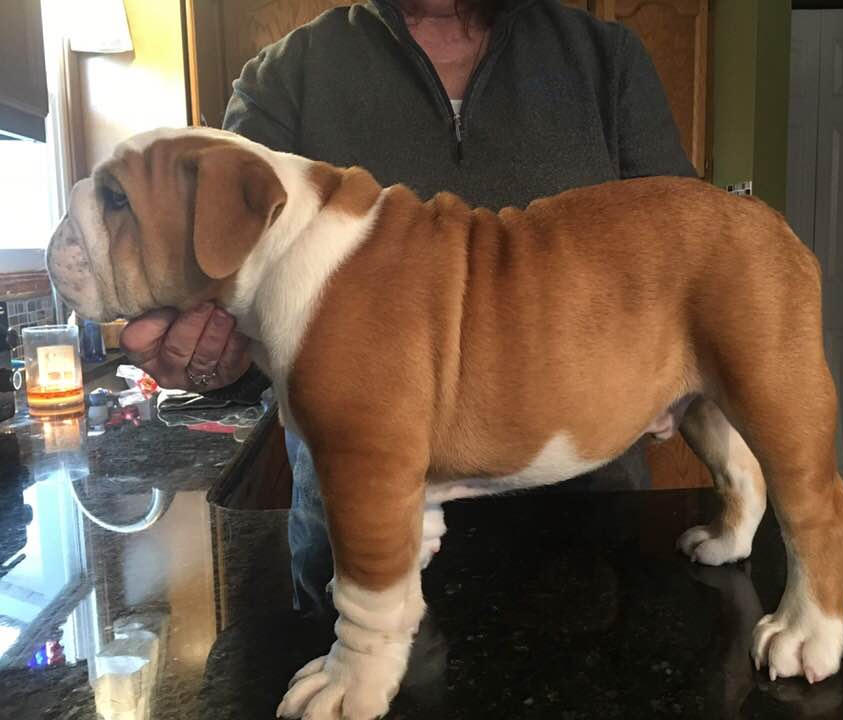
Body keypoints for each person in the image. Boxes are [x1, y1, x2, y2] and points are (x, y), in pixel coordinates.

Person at [120, 0, 695, 611]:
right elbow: (235, 295)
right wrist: (216, 359)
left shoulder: (605, 60)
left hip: (586, 517)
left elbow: (686, 262)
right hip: (359, 537)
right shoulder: (286, 78)